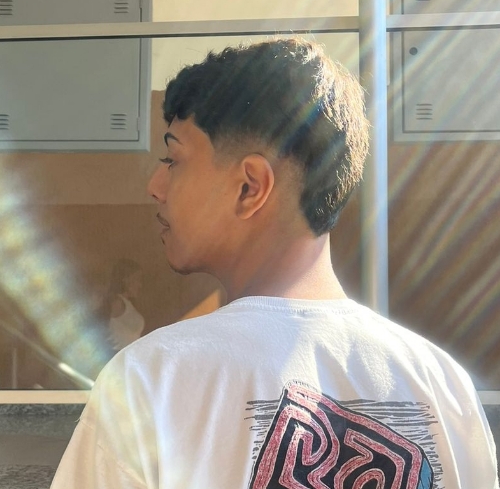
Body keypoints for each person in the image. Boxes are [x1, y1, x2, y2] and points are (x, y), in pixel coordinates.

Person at [51, 37, 498, 488]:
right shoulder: (441, 385)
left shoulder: (151, 381)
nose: (155, 185)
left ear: (250, 187)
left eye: (173, 159)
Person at [99, 258, 145, 352]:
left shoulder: (128, 304)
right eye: (137, 279)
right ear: (126, 280)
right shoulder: (117, 303)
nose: (140, 285)